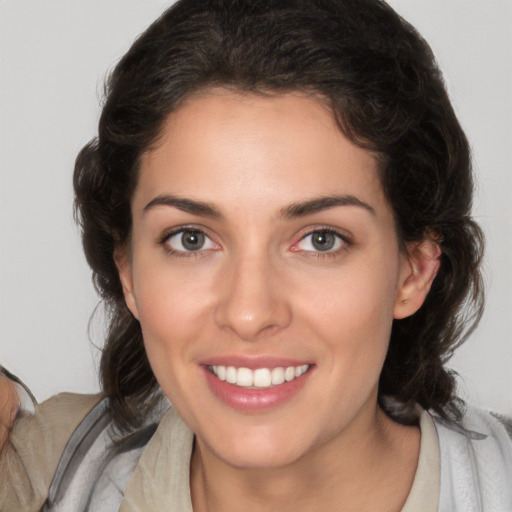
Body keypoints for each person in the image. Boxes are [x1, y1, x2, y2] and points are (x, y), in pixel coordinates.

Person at [1, 0, 511, 510]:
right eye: (191, 239)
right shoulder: (41, 473)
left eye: (320, 240)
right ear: (128, 270)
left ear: (414, 270)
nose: (249, 313)